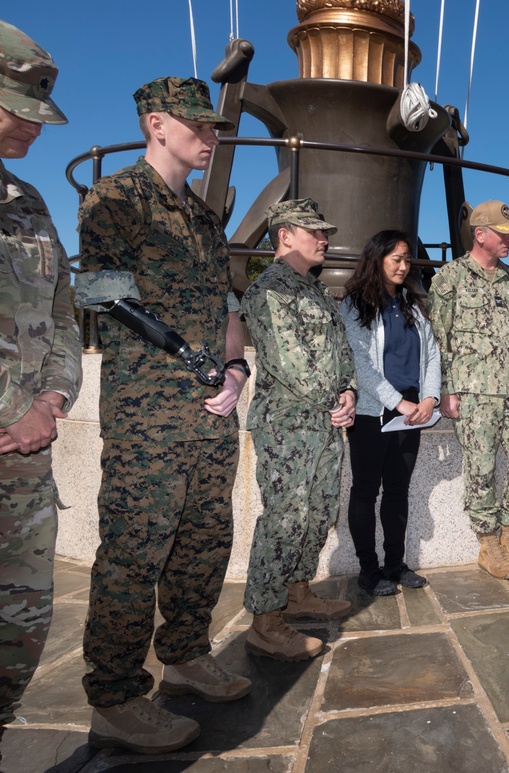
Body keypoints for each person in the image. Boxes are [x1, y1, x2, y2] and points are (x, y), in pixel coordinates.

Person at [74, 77, 251, 755]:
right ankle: (116, 696)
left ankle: (184, 655)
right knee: (134, 552)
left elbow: (229, 313)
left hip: (211, 410)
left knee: (205, 539)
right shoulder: (116, 197)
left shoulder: (206, 219)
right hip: (149, 412)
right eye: (197, 127)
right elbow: (101, 291)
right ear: (157, 124)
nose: (210, 138)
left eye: (213, 129)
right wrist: (183, 352)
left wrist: (236, 370)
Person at [0, 20, 81, 765]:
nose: (30, 123)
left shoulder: (26, 204)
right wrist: (9, 409)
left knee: (17, 633)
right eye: (14, 104)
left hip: (24, 458)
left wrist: (51, 399)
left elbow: (62, 310)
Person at [241, 198, 356, 660]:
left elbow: (342, 353)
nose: (325, 239)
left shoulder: (314, 291)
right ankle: (265, 621)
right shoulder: (268, 290)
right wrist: (335, 401)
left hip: (325, 423)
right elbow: (290, 362)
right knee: (284, 517)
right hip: (288, 426)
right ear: (285, 235)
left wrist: (348, 393)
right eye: (316, 232)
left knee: (318, 511)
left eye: (324, 233)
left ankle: (297, 590)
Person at [427, 200, 509, 579]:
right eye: (504, 233)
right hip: (474, 393)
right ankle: (488, 546)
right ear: (481, 234)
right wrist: (446, 388)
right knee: (481, 471)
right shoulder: (450, 278)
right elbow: (438, 338)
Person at [341, 230, 441, 596]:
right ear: (377, 258)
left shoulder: (411, 304)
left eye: (407, 260)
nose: (403, 266)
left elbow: (431, 355)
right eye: (396, 259)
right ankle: (369, 570)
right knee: (366, 490)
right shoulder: (355, 305)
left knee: (398, 490)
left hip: (412, 413)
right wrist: (397, 401)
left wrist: (429, 398)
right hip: (372, 413)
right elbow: (361, 364)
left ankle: (395, 564)